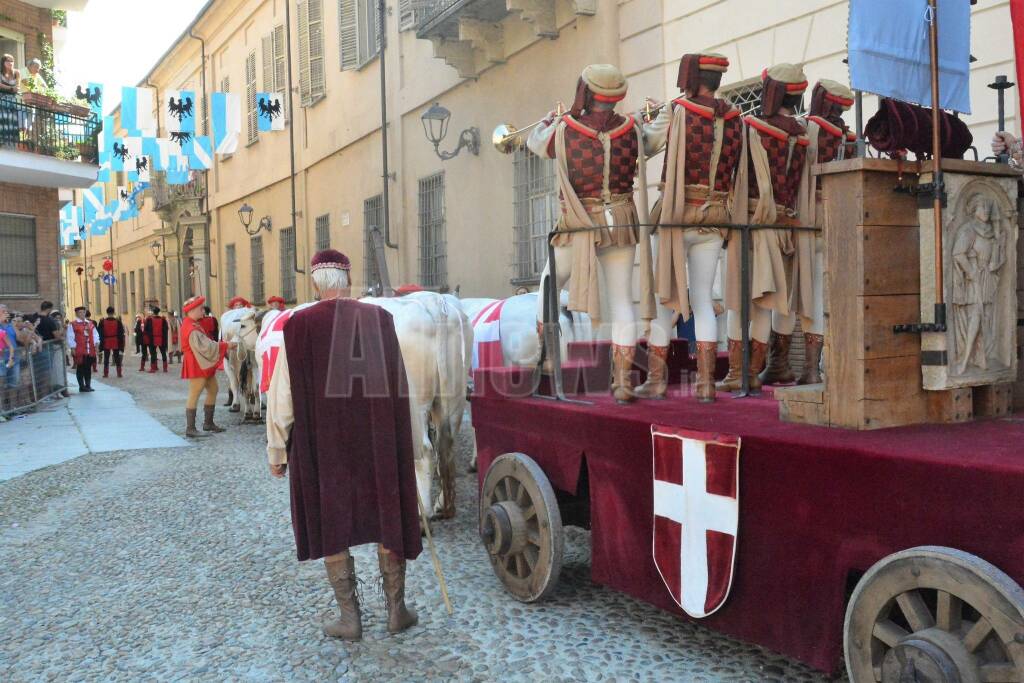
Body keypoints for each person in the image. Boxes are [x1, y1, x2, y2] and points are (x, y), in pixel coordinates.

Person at [266, 249, 422, 641]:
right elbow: (403, 386)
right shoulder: (380, 320)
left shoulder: (298, 326)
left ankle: (350, 619)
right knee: (388, 516)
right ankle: (396, 610)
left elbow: (281, 395)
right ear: (348, 281)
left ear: (316, 284)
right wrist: (415, 444)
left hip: (325, 445)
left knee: (332, 520)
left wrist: (277, 449)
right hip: (379, 442)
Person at [526, 64, 656, 403]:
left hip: (580, 223)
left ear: (586, 92)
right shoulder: (632, 128)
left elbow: (535, 144)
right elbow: (654, 143)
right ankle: (624, 382)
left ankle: (550, 359)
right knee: (621, 299)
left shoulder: (565, 129)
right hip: (621, 219)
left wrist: (548, 119)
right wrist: (660, 115)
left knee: (548, 284)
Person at [637, 52, 744, 402]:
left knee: (664, 296)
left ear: (691, 79)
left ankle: (655, 379)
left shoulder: (678, 110)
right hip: (714, 216)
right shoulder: (735, 118)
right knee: (701, 300)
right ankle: (706, 383)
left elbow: (646, 146)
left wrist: (647, 120)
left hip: (677, 215)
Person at [720, 64, 811, 392]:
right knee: (765, 303)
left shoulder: (751, 128)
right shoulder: (802, 135)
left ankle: (736, 374)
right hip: (784, 228)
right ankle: (754, 374)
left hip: (752, 227)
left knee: (739, 301)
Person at [761, 79, 854, 387]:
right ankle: (812, 369)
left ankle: (779, 365)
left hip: (801, 220)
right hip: (834, 224)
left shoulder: (803, 128)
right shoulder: (851, 138)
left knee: (786, 296)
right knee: (815, 298)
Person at [180, 296, 233, 437]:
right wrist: (226, 345)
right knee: (194, 393)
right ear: (192, 310)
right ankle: (190, 428)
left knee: (213, 389)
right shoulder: (191, 327)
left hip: (202, 362)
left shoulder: (193, 323)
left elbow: (206, 344)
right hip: (197, 363)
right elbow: (205, 346)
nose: (203, 310)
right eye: (200, 308)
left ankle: (208, 423)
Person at [66, 306, 99, 393]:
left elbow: (95, 334)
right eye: (80, 312)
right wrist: (72, 347)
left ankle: (88, 385)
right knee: (80, 368)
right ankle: (81, 386)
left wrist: (96, 344)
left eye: (83, 312)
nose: (82, 314)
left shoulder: (90, 323)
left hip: (89, 349)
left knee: (88, 368)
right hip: (80, 349)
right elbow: (70, 337)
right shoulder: (73, 324)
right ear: (76, 313)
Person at [98, 306, 126, 378]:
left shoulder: (102, 322)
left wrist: (101, 342)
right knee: (117, 358)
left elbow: (99, 333)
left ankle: (106, 373)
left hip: (106, 341)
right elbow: (121, 333)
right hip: (115, 340)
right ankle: (119, 373)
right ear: (113, 312)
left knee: (106, 358)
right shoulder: (118, 322)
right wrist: (121, 344)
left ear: (107, 313)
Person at [0, 54, 19, 147]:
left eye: (12, 61)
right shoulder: (0, 73)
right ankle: (3, 139)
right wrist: (11, 88)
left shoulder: (16, 73)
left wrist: (15, 88)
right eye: (8, 61)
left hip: (12, 100)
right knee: (3, 119)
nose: (10, 63)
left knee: (12, 120)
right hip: (2, 99)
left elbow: (17, 86)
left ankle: (12, 142)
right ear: (3, 62)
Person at [0, 304, 19, 391]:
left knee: (14, 384)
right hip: (1, 361)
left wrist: (15, 327)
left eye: (7, 311)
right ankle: (3, 405)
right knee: (2, 386)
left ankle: (14, 405)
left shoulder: (11, 325)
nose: (6, 313)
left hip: (13, 359)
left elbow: (20, 338)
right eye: (3, 311)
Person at [145, 306, 170, 373]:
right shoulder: (163, 319)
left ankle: (153, 368)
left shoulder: (149, 320)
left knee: (153, 354)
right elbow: (166, 329)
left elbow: (145, 330)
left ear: (153, 312)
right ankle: (165, 368)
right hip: (161, 338)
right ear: (158, 312)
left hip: (152, 339)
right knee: (163, 353)